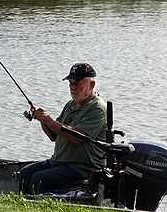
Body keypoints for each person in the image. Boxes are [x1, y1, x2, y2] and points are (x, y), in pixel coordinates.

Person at [18, 62, 108, 195]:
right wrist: (42, 119)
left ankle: (37, 209)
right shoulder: (71, 104)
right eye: (70, 83)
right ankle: (23, 208)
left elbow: (77, 138)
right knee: (25, 173)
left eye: (76, 83)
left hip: (82, 167)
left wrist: (49, 120)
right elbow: (54, 136)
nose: (72, 87)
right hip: (60, 162)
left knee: (39, 179)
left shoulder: (97, 108)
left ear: (92, 84)